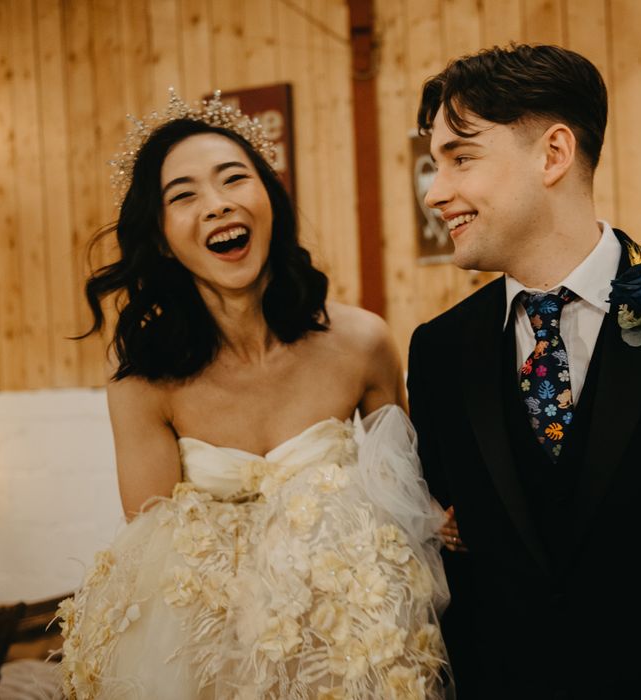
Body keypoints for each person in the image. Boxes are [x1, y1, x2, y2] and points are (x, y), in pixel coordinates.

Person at [57, 93, 452, 699]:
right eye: (183, 195)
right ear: (162, 238)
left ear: (269, 203)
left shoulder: (362, 342)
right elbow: (156, 567)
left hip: (355, 654)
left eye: (234, 179)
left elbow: (412, 507)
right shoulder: (142, 377)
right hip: (212, 665)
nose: (216, 205)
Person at [407, 44, 641, 699]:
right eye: (432, 163)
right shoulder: (438, 351)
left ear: (554, 154)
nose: (436, 192)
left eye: (461, 158)